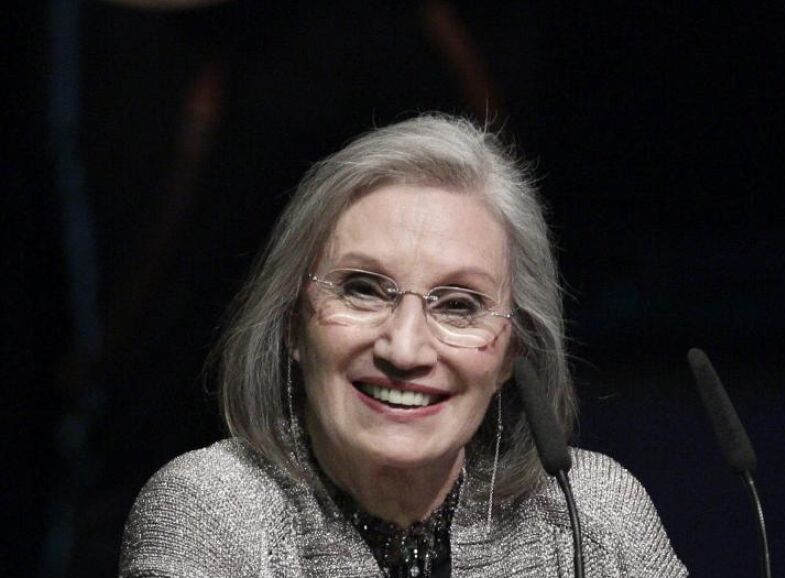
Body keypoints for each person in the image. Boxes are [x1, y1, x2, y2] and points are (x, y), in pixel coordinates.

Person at [119, 113, 688, 577]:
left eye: (459, 304)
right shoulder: (212, 509)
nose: (405, 349)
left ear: (512, 352)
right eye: (362, 290)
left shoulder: (591, 514)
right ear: (293, 323)